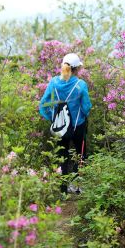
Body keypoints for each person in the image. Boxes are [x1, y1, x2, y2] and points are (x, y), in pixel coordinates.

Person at [39, 53, 92, 194]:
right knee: (80, 155)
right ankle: (76, 186)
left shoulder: (54, 83)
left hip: (61, 127)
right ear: (76, 69)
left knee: (62, 155)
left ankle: (62, 189)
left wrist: (53, 118)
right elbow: (86, 106)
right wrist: (85, 115)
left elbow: (43, 104)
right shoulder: (80, 85)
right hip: (78, 126)